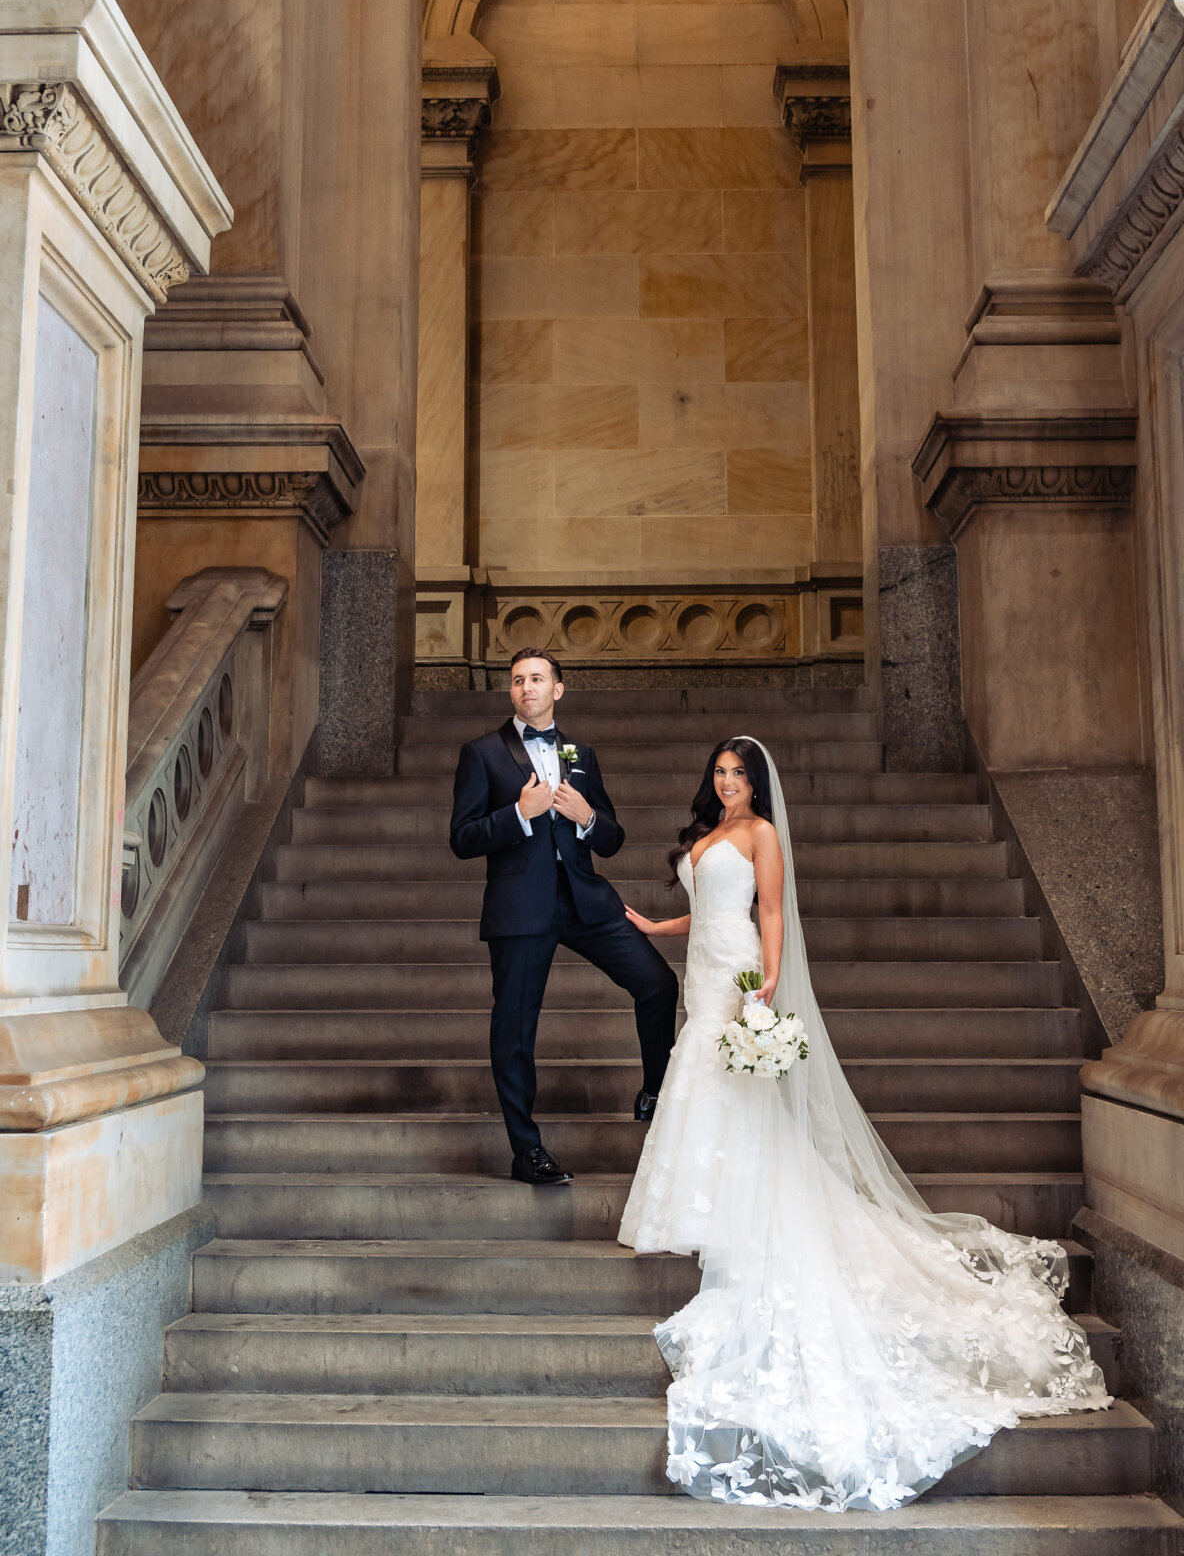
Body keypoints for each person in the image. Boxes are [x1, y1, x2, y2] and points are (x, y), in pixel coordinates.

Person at [619, 735, 1110, 1512]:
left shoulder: (760, 835)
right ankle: (695, 1201)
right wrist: (656, 929)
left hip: (740, 972)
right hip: (703, 970)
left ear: (757, 785)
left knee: (723, 1086)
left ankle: (732, 1206)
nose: (728, 784)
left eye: (739, 774)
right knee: (696, 1080)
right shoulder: (708, 836)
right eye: (718, 772)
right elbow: (706, 912)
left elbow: (768, 912)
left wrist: (766, 985)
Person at [449, 648, 679, 1187]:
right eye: (516, 681)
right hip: (520, 908)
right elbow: (462, 839)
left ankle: (654, 1090)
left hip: (584, 902)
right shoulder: (482, 753)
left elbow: (614, 838)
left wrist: (588, 817)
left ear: (558, 689)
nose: (525, 687)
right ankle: (526, 1150)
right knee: (515, 1030)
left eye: (536, 679)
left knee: (658, 984)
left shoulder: (582, 754)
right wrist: (517, 815)